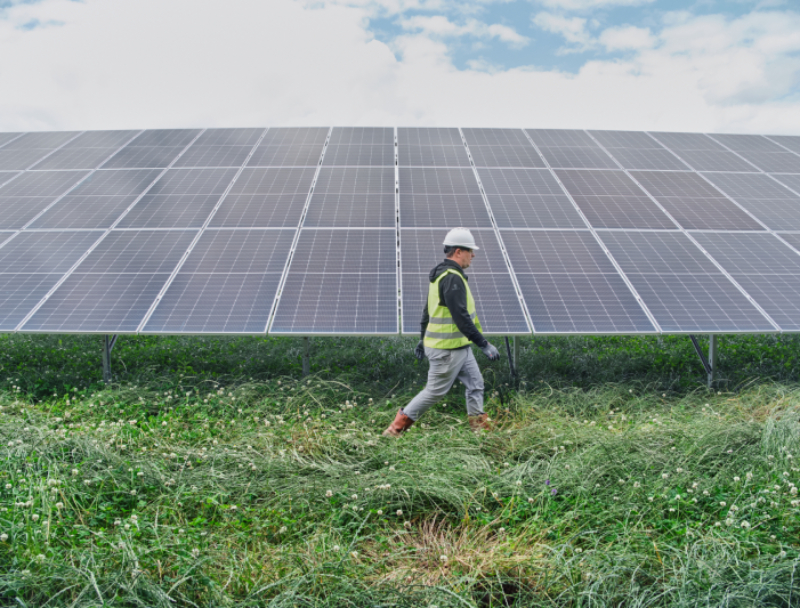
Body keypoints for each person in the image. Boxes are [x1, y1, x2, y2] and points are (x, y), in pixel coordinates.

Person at [383, 227, 501, 437]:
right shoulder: (451, 278)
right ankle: (395, 430)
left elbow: (428, 311)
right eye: (469, 251)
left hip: (459, 347)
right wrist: (483, 344)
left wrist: (422, 339)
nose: (473, 255)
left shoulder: (444, 275)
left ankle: (481, 433)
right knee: (434, 392)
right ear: (458, 252)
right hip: (447, 350)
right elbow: (460, 316)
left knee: (476, 384)